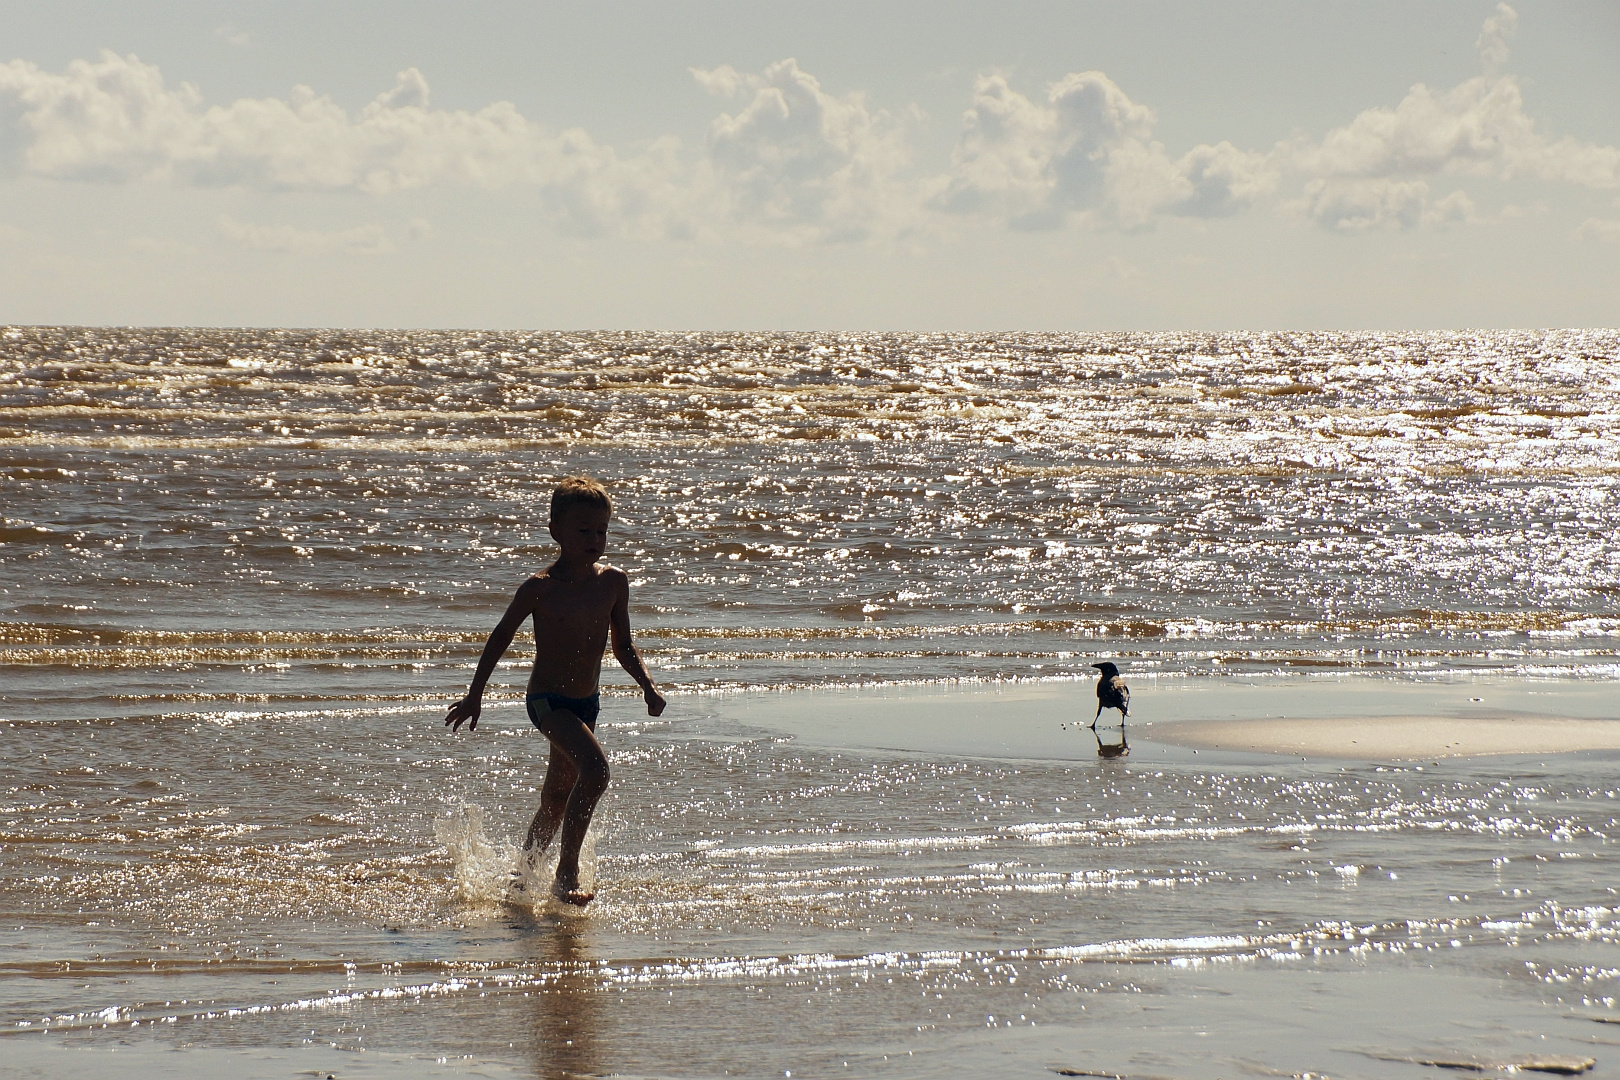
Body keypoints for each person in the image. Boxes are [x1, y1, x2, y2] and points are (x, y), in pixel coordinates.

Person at [444, 476, 665, 906]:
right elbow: (500, 636)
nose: (594, 539)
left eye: (601, 530)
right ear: (556, 531)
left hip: (587, 703)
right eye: (583, 530)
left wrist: (647, 686)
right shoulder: (540, 587)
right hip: (546, 702)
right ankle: (567, 872)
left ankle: (521, 877)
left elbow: (623, 645)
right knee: (596, 772)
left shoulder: (613, 582)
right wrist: (475, 695)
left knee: (556, 799)